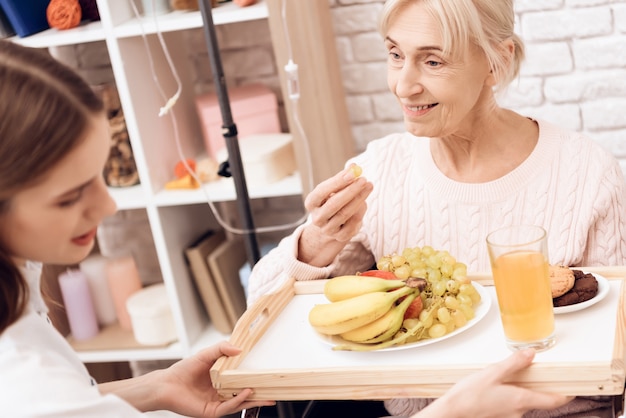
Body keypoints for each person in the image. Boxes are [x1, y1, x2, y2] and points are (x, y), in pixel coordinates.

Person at [247, 0, 626, 417]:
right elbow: (257, 317)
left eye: (433, 61)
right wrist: (316, 243)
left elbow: (614, 359)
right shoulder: (380, 170)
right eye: (395, 55)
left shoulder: (587, 174)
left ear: (497, 62)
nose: (403, 86)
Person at [0, 39, 275, 417]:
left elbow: (76, 399)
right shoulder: (26, 380)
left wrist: (160, 386)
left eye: (98, 175)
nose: (108, 205)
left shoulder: (19, 275)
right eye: (69, 197)